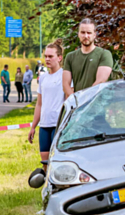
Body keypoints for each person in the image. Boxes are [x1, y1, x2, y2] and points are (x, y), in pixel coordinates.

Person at [28, 40, 65, 174]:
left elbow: (68, 100)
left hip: (58, 124)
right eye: (46, 56)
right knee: (45, 161)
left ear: (59, 58)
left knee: (57, 160)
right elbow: (39, 104)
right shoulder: (43, 78)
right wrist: (33, 126)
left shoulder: (64, 75)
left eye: (51, 56)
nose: (47, 59)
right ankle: (47, 188)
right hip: (44, 125)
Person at [62, 18, 114, 98]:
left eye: (89, 33)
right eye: (83, 32)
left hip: (98, 105)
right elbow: (65, 84)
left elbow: (100, 81)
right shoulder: (70, 56)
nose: (86, 36)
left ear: (94, 34)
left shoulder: (104, 54)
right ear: (78, 34)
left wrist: (84, 99)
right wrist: (75, 100)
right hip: (78, 106)